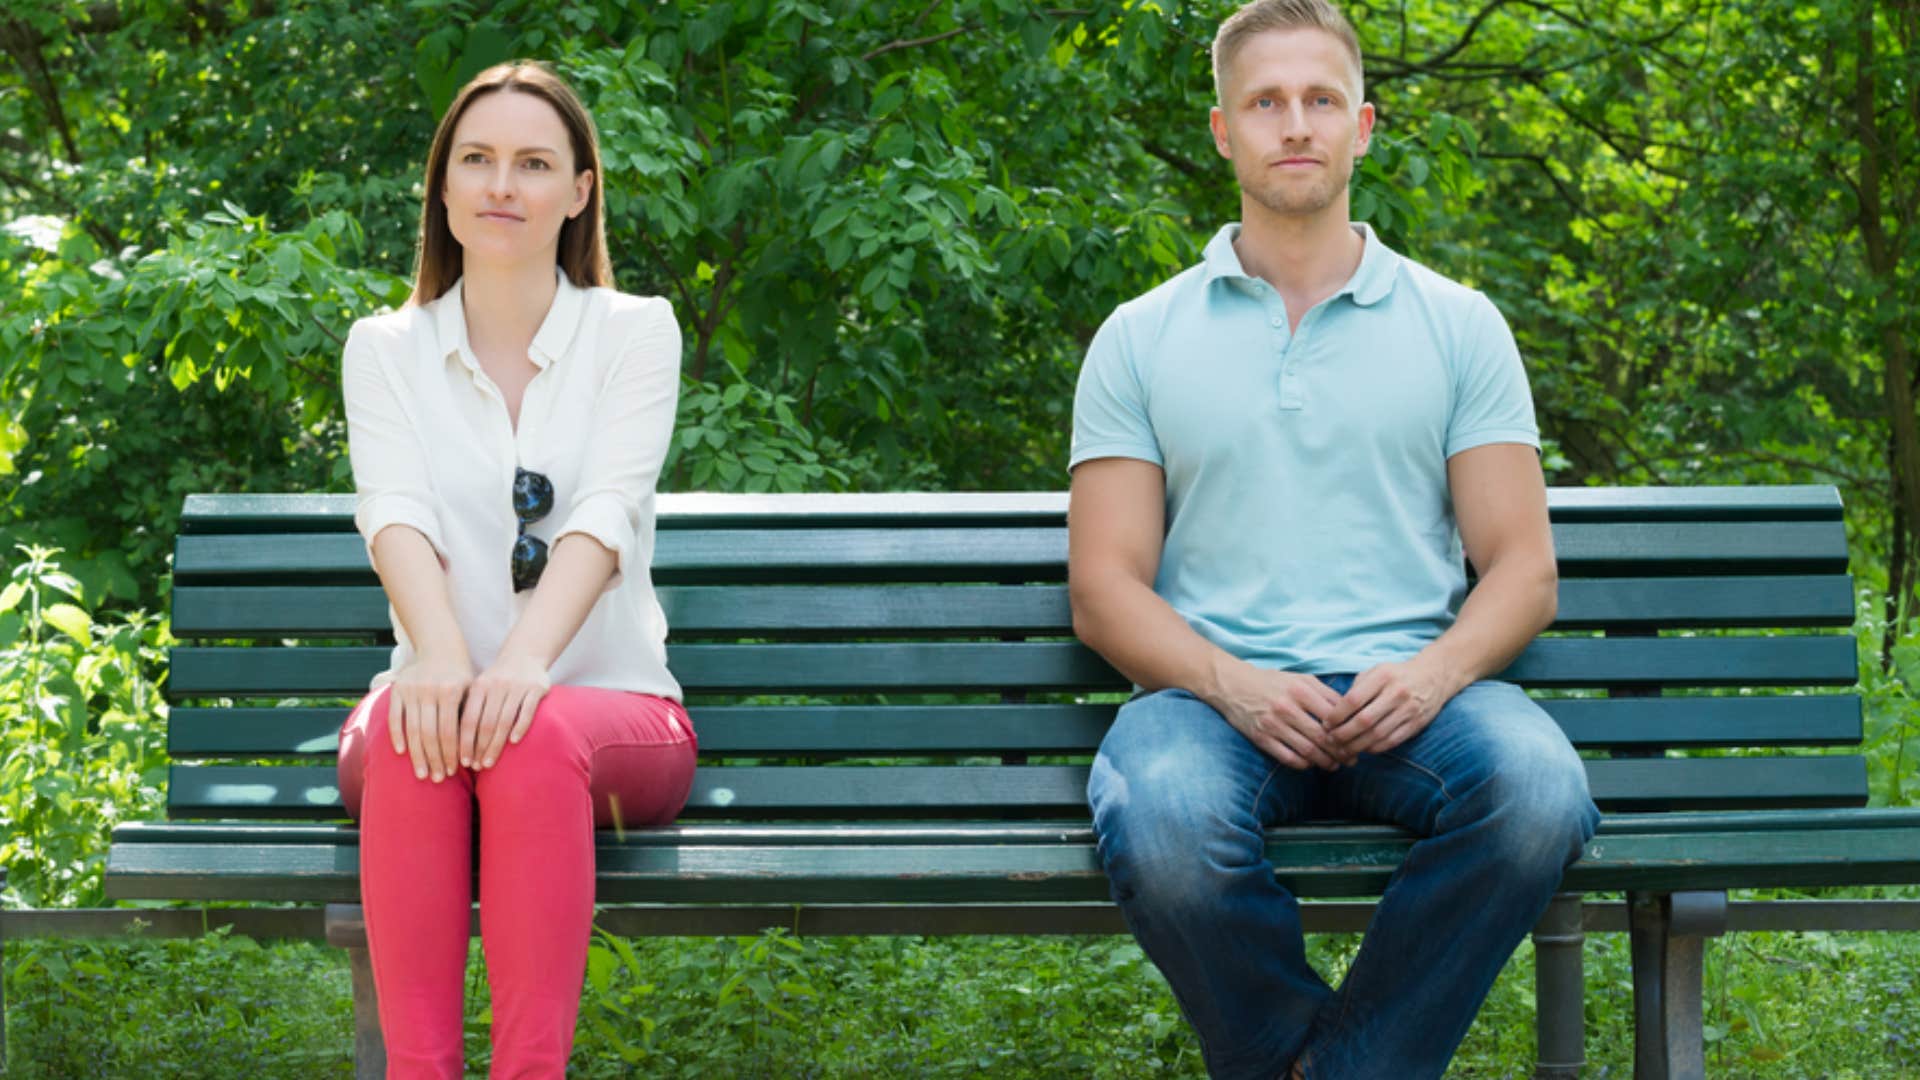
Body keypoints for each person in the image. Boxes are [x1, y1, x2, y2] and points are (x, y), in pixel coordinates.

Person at [1068, 2, 1601, 1077]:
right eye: (1265, 102)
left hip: (1416, 696)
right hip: (1207, 702)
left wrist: (1434, 673)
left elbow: (1522, 568)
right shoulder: (1141, 337)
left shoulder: (1458, 324)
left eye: (1319, 100)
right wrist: (1235, 685)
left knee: (1539, 794)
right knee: (1162, 822)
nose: (1294, 124)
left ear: (1364, 124)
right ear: (1225, 131)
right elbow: (1106, 590)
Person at [334, 61, 694, 1079]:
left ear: (579, 191)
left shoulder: (637, 332)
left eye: (535, 163)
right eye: (478, 160)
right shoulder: (385, 347)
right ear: (442, 188)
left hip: (611, 715)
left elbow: (604, 513)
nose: (503, 184)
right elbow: (393, 511)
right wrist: (441, 657)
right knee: (414, 727)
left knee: (525, 733)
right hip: (433, 723)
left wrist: (525, 664)